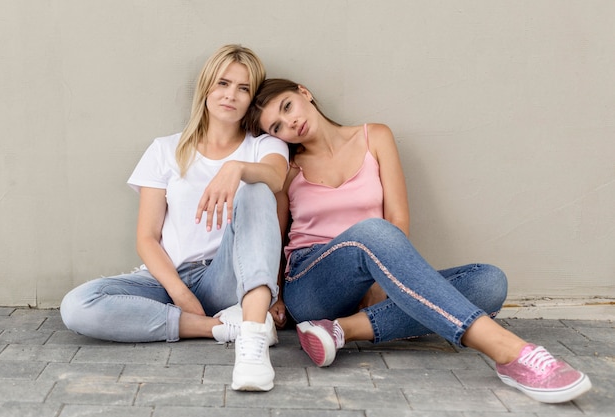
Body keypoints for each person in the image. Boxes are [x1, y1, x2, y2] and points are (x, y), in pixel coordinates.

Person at [244, 78, 592, 403]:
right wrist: (273, 295)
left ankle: (339, 331)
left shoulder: (374, 136)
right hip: (313, 282)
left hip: (376, 266)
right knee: (373, 231)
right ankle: (511, 353)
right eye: (276, 126)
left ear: (304, 93)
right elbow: (274, 237)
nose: (289, 124)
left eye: (287, 107)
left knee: (489, 282)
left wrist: (381, 283)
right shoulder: (287, 170)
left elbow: (398, 218)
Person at [60, 45, 289, 392]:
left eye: (243, 88)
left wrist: (237, 168)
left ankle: (252, 344)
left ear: (252, 98)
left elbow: (275, 178)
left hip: (228, 275)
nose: (231, 95)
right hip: (169, 278)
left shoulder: (264, 146)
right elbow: (147, 238)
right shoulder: (166, 149)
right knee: (77, 306)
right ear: (206, 87)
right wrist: (179, 293)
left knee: (257, 190)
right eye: (223, 83)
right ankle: (220, 328)